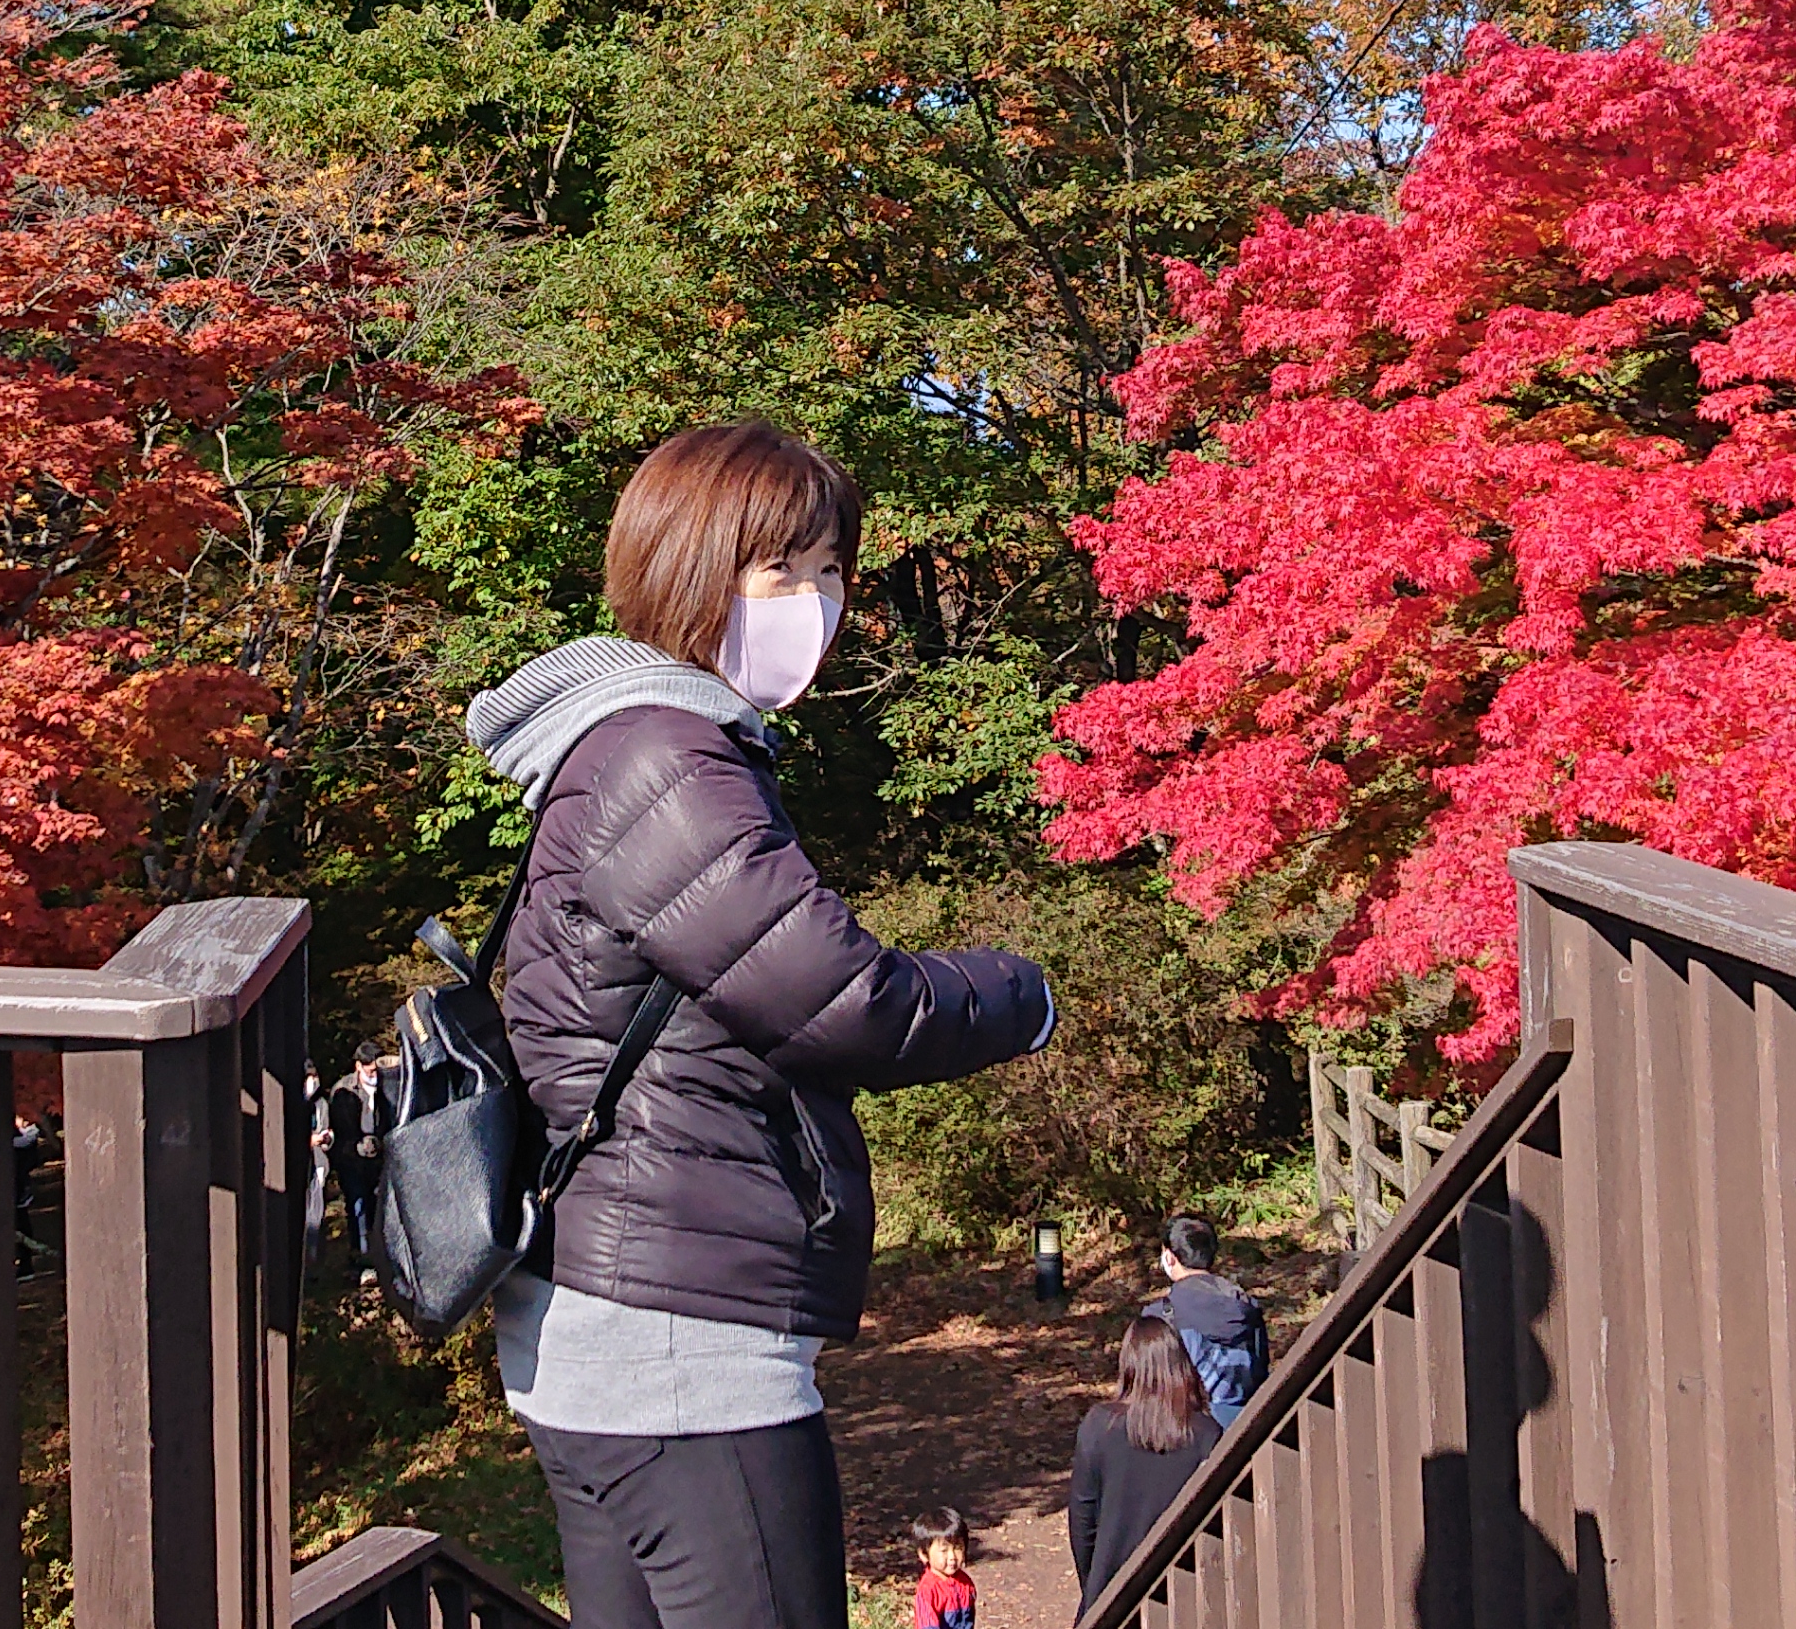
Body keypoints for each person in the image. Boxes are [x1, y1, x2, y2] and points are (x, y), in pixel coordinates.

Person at [478, 423, 1056, 1629]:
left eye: (831, 569)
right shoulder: (666, 757)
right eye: (778, 571)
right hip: (678, 1347)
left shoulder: (636, 743)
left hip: (611, 1319)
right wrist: (1021, 992)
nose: (817, 602)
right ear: (689, 567)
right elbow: (843, 1005)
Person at [1068, 1309, 1224, 1607]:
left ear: (1128, 1365)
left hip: (1111, 1587)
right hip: (1184, 1595)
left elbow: (1082, 1518)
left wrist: (1094, 1583)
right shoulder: (1206, 1433)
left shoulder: (1100, 1425)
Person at [1157, 1212, 1269, 1428]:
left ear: (1170, 1257)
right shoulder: (1246, 1306)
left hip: (1188, 1431)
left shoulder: (1161, 1314)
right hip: (1247, 1426)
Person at [907, 1510, 978, 1629]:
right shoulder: (928, 1591)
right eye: (944, 1551)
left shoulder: (965, 1582)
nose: (952, 1557)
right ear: (924, 1554)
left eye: (958, 1548)